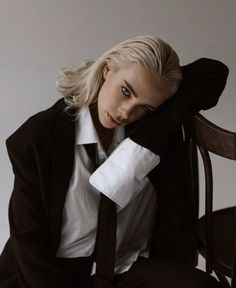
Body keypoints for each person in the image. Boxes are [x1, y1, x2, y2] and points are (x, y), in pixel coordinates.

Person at [0, 35, 229, 288]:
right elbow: (27, 241)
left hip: (126, 269)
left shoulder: (149, 126)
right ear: (107, 68)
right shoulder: (39, 137)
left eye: (145, 107)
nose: (126, 112)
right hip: (52, 274)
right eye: (125, 91)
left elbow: (213, 72)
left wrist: (146, 139)